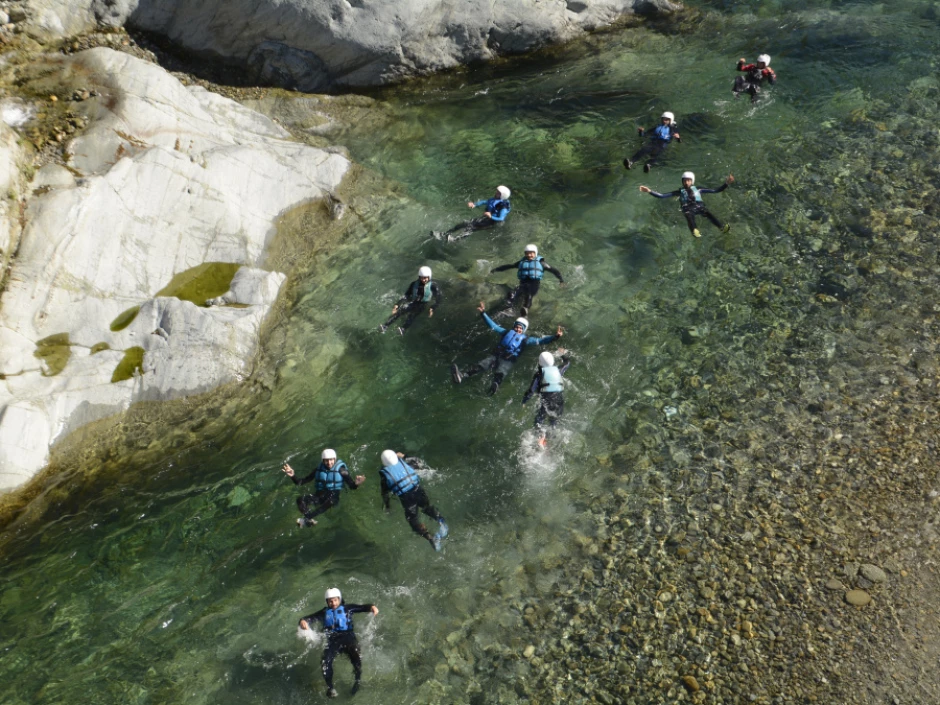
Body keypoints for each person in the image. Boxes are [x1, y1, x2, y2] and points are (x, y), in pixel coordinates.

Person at [451, 302, 563, 395]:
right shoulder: (505, 332)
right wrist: (483, 313)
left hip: (508, 359)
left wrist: (555, 337)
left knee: (500, 372)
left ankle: (495, 386)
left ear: (523, 330)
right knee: (481, 365)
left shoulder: (526, 340)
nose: (518, 329)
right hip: (496, 355)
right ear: (514, 326)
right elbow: (493, 325)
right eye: (517, 327)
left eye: (520, 328)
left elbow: (542, 340)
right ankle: (462, 376)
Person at [299, 587, 378, 698]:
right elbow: (308, 618)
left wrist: (372, 607)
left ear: (339, 599)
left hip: (348, 638)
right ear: (327, 602)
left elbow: (362, 607)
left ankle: (357, 680)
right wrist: (303, 621)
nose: (333, 603)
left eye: (335, 600)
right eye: (330, 601)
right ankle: (331, 688)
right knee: (325, 663)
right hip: (332, 640)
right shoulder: (324, 612)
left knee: (357, 656)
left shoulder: (348, 608)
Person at [378, 449, 448, 551]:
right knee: (427, 507)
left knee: (413, 522)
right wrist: (404, 455)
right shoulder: (407, 464)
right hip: (418, 491)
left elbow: (385, 494)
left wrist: (387, 505)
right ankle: (441, 522)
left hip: (407, 499)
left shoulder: (385, 477)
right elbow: (418, 463)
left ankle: (430, 537)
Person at [283, 449, 365, 527]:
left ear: (334, 459)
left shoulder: (342, 470)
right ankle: (309, 519)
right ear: (323, 461)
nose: (329, 462)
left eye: (331, 460)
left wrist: (357, 483)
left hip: (333, 498)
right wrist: (292, 475)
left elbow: (352, 486)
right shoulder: (318, 470)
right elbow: (300, 482)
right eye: (326, 460)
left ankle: (307, 518)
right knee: (300, 500)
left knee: (330, 500)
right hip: (319, 497)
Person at [639, 171, 735, 238]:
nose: (686, 182)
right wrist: (649, 191)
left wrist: (726, 183)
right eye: (684, 180)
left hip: (699, 206)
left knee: (708, 214)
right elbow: (662, 196)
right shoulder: (679, 192)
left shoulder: (699, 189)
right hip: (687, 208)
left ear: (692, 181)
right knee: (689, 217)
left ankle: (721, 228)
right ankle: (694, 231)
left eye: (688, 180)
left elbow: (715, 190)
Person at [490, 244, 564, 316]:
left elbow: (554, 270)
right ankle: (509, 309)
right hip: (523, 284)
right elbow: (510, 266)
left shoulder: (541, 263)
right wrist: (496, 269)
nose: (529, 255)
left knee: (528, 295)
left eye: (531, 253)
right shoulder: (522, 262)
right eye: (527, 253)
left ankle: (525, 309)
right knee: (511, 293)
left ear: (535, 253)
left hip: (534, 284)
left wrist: (561, 280)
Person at [522, 349, 571, 447]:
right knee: (554, 421)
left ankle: (541, 438)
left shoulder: (539, 374)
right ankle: (550, 438)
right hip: (559, 401)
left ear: (539, 363)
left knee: (538, 421)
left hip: (547, 401)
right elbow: (567, 363)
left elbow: (531, 391)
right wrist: (563, 354)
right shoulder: (558, 370)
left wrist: (524, 401)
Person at [434, 185, 511, 242]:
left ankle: (455, 240)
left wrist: (491, 217)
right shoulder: (494, 199)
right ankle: (445, 233)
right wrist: (475, 204)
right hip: (486, 218)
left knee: (471, 228)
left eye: (498, 193)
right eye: (497, 191)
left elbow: (501, 218)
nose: (496, 193)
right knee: (465, 223)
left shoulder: (503, 207)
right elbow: (485, 202)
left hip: (491, 222)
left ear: (502, 196)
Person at [380, 266, 442, 334]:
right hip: (413, 302)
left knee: (412, 316)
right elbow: (406, 295)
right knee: (400, 311)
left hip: (422, 304)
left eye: (425, 278)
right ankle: (385, 326)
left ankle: (403, 329)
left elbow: (438, 298)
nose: (423, 280)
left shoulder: (433, 286)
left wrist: (432, 308)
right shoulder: (414, 284)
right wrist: (397, 304)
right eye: (421, 277)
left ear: (429, 277)